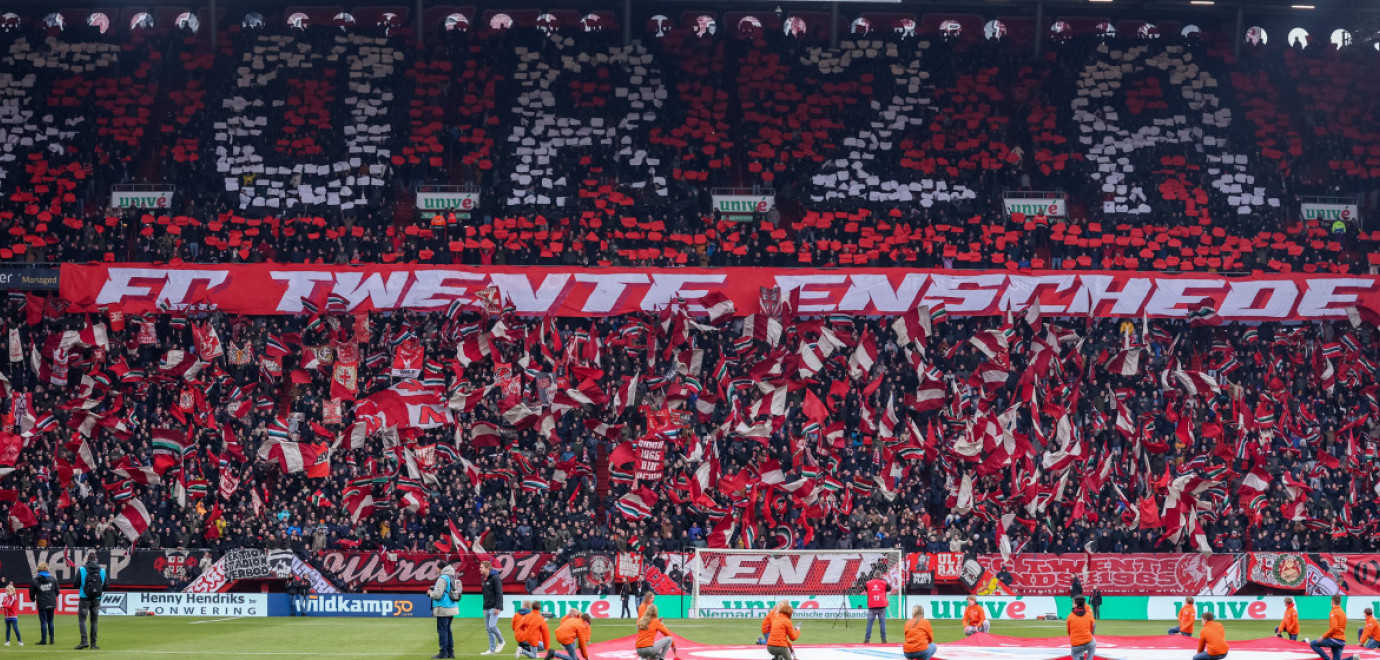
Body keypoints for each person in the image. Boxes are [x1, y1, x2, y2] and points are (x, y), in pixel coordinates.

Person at [428, 565, 461, 660]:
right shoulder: (452, 576)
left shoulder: (442, 578)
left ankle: (443, 653)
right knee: (448, 630)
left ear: (440, 568)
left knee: (442, 631)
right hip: (452, 607)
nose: (435, 568)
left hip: (443, 607)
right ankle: (450, 652)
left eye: (437, 567)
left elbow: (438, 595)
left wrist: (430, 593)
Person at [74, 552, 105, 650]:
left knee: (82, 620)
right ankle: (94, 644)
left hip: (84, 598)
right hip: (96, 599)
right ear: (96, 559)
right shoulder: (102, 571)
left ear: (87, 559)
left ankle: (84, 642)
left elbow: (75, 584)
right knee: (94, 621)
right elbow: (106, 586)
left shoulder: (82, 569)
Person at [1309, 595, 1347, 660]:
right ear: (1340, 602)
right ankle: (1353, 658)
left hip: (1335, 639)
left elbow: (1334, 628)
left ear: (1332, 602)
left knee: (1313, 644)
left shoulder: (1333, 612)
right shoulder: (1343, 612)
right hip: (1342, 640)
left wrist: (1323, 637)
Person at [28, 563, 58, 646]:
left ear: (38, 570)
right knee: (50, 621)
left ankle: (44, 640)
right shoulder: (53, 578)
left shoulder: (35, 580)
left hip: (42, 603)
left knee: (43, 622)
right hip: (51, 602)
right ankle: (52, 640)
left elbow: (31, 592)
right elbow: (57, 591)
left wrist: (33, 599)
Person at [481, 560, 506, 655]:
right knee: (488, 629)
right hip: (487, 607)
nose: (480, 569)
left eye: (482, 567)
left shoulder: (496, 578)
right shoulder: (483, 578)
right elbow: (485, 594)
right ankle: (491, 650)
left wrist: (498, 607)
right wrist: (484, 607)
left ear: (488, 568)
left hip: (494, 606)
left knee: (492, 626)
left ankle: (501, 641)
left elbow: (499, 593)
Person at [864, 575, 890, 643]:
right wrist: (884, 580)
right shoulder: (884, 582)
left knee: (869, 624)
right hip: (881, 606)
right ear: (880, 577)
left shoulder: (868, 583)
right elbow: (889, 589)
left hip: (872, 606)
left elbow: (866, 589)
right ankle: (883, 639)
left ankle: (867, 639)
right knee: (882, 624)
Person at [1067, 596, 1095, 660]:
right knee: (1093, 643)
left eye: (1073, 603)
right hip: (1088, 642)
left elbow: (1069, 631)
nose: (1072, 604)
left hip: (1076, 644)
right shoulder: (1088, 615)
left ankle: (1079, 657)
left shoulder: (1070, 617)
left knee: (1075, 652)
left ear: (1076, 604)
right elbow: (1091, 629)